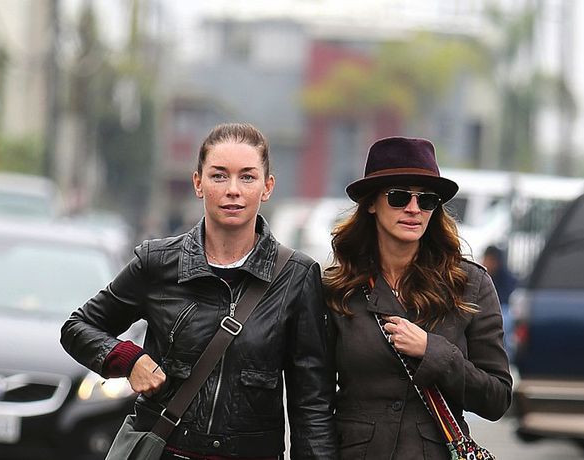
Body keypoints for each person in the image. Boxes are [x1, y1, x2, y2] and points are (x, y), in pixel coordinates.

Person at [61, 123, 336, 460]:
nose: (233, 190)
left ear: (267, 187)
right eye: (219, 176)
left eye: (247, 177)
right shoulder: (157, 263)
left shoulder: (296, 276)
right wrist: (129, 359)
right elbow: (78, 327)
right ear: (198, 183)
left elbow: (311, 406)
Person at [323, 136, 512, 459]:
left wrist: (433, 351)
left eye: (426, 200)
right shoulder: (338, 288)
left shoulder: (470, 284)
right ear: (371, 203)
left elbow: (497, 398)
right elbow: (313, 400)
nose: (413, 209)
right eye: (398, 197)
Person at [481, 244, 518, 361]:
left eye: (490, 260)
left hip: (503, 313)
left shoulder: (508, 280)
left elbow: (507, 302)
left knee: (505, 320)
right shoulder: (480, 277)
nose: (487, 263)